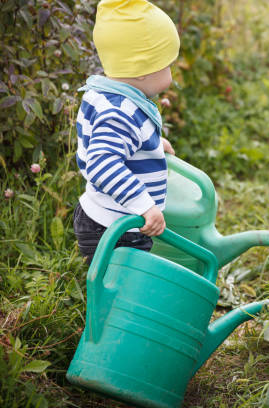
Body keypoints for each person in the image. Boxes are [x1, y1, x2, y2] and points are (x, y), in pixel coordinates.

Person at [73, 0, 180, 264]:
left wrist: (152, 144)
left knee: (114, 282)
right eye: (167, 65)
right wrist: (144, 206)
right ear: (141, 70)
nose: (171, 71)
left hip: (110, 217)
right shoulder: (120, 113)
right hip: (117, 227)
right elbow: (102, 164)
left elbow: (121, 143)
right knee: (121, 288)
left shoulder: (106, 95)